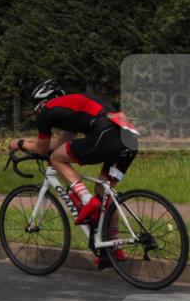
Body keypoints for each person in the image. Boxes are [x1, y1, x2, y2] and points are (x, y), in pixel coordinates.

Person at [10, 80, 140, 267]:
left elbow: (43, 149)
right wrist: (36, 145)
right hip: (128, 138)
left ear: (41, 102)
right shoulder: (70, 107)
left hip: (107, 134)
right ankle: (113, 249)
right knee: (104, 192)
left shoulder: (47, 111)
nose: (36, 111)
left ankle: (87, 200)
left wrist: (20, 143)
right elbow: (59, 144)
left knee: (56, 159)